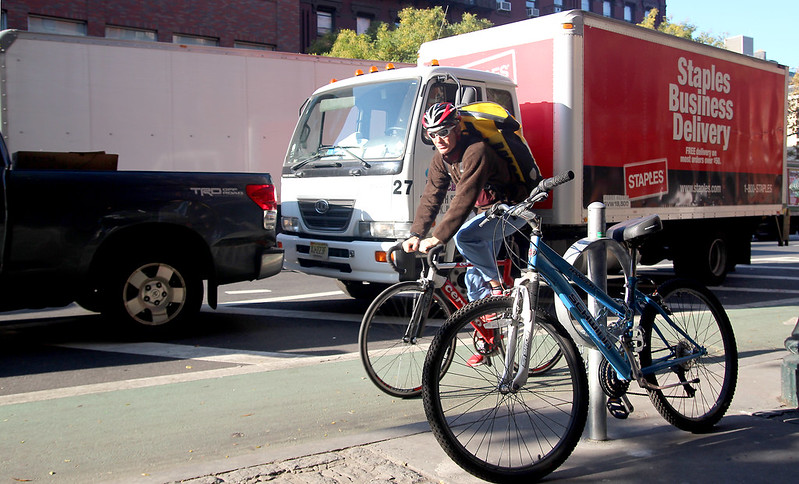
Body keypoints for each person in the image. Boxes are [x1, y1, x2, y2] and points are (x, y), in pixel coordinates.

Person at [401, 102, 529, 366]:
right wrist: (416, 233)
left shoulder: (476, 151)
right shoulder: (441, 158)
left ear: (457, 127)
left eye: (445, 131)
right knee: (472, 283)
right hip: (486, 214)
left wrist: (438, 237)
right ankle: (490, 342)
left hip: (510, 208)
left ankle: (499, 288)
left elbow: (464, 198)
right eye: (432, 134)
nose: (439, 139)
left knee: (466, 238)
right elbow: (431, 196)